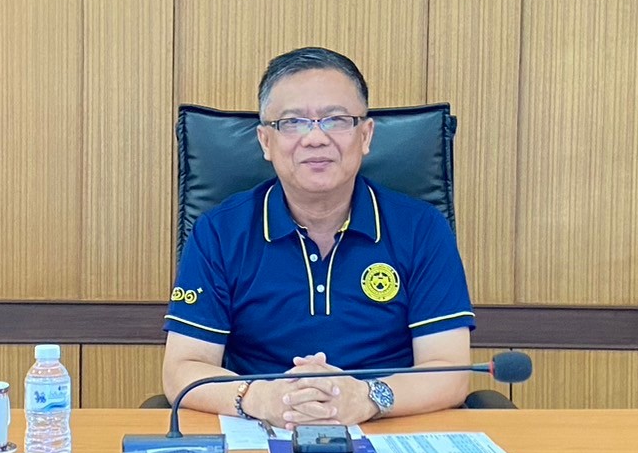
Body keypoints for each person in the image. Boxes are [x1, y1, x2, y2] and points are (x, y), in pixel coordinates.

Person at [162, 47, 475, 427]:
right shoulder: (219, 232)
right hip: (260, 430)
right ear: (265, 141)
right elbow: (182, 369)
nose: (315, 138)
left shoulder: (421, 228)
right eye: (292, 122)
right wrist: (262, 397)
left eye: (335, 120)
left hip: (389, 428)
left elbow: (449, 370)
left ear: (366, 135)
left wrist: (367, 397)